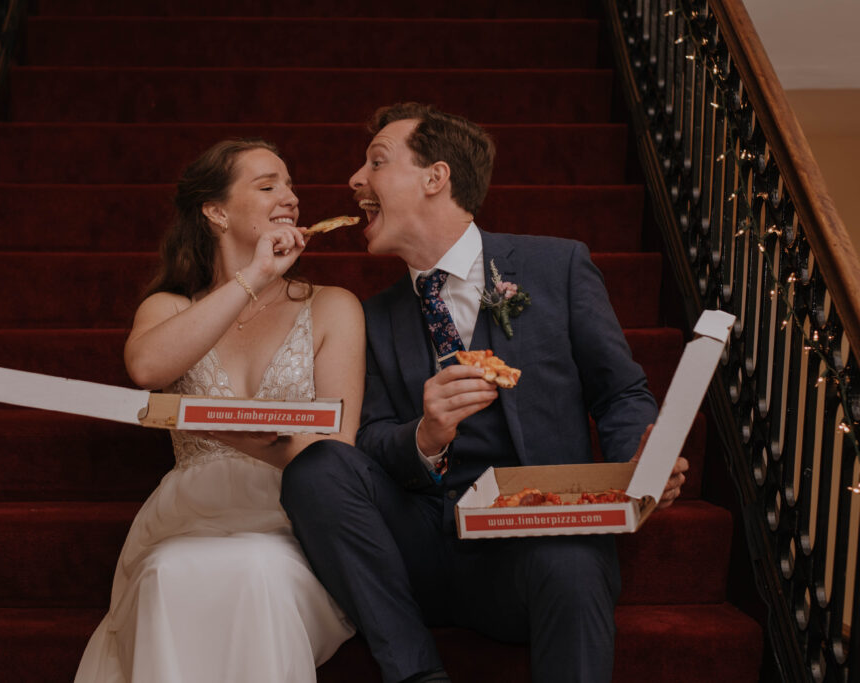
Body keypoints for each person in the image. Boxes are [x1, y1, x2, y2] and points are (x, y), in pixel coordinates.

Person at [280, 103, 690, 683]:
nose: (354, 180)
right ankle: (419, 675)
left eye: (376, 162)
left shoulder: (558, 266)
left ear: (435, 177)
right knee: (315, 466)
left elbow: (620, 393)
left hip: (531, 544)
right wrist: (425, 437)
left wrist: (640, 468)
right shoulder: (369, 317)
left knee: (574, 562)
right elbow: (366, 441)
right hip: (416, 550)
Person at [74, 139, 363, 683]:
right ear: (216, 211)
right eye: (268, 185)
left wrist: (237, 436)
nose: (292, 198)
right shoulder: (169, 308)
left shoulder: (332, 306)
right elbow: (147, 369)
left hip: (292, 523)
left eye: (292, 185)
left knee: (259, 572)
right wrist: (252, 279)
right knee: (167, 574)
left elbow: (335, 452)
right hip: (188, 521)